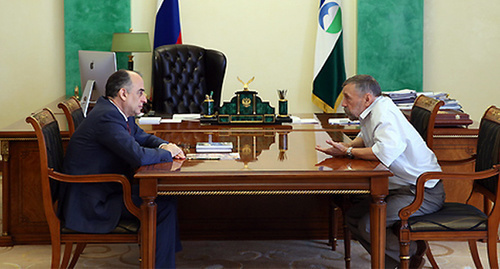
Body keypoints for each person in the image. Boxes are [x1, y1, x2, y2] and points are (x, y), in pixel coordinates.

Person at [315, 75, 445, 268]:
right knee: (352, 216)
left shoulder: (383, 113)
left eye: (347, 97)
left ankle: (411, 256)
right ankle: (398, 260)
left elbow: (383, 152)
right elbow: (366, 136)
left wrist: (349, 152)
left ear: (367, 98)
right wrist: (347, 146)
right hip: (401, 187)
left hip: (422, 191)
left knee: (368, 225)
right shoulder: (375, 109)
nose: (343, 103)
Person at [62, 69, 185, 268]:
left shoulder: (118, 113)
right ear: (123, 93)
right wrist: (168, 153)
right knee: (161, 206)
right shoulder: (106, 118)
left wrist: (164, 145)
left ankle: (161, 257)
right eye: (141, 92)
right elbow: (137, 155)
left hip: (105, 189)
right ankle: (160, 262)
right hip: (92, 203)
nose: (145, 99)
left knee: (165, 198)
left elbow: (142, 137)